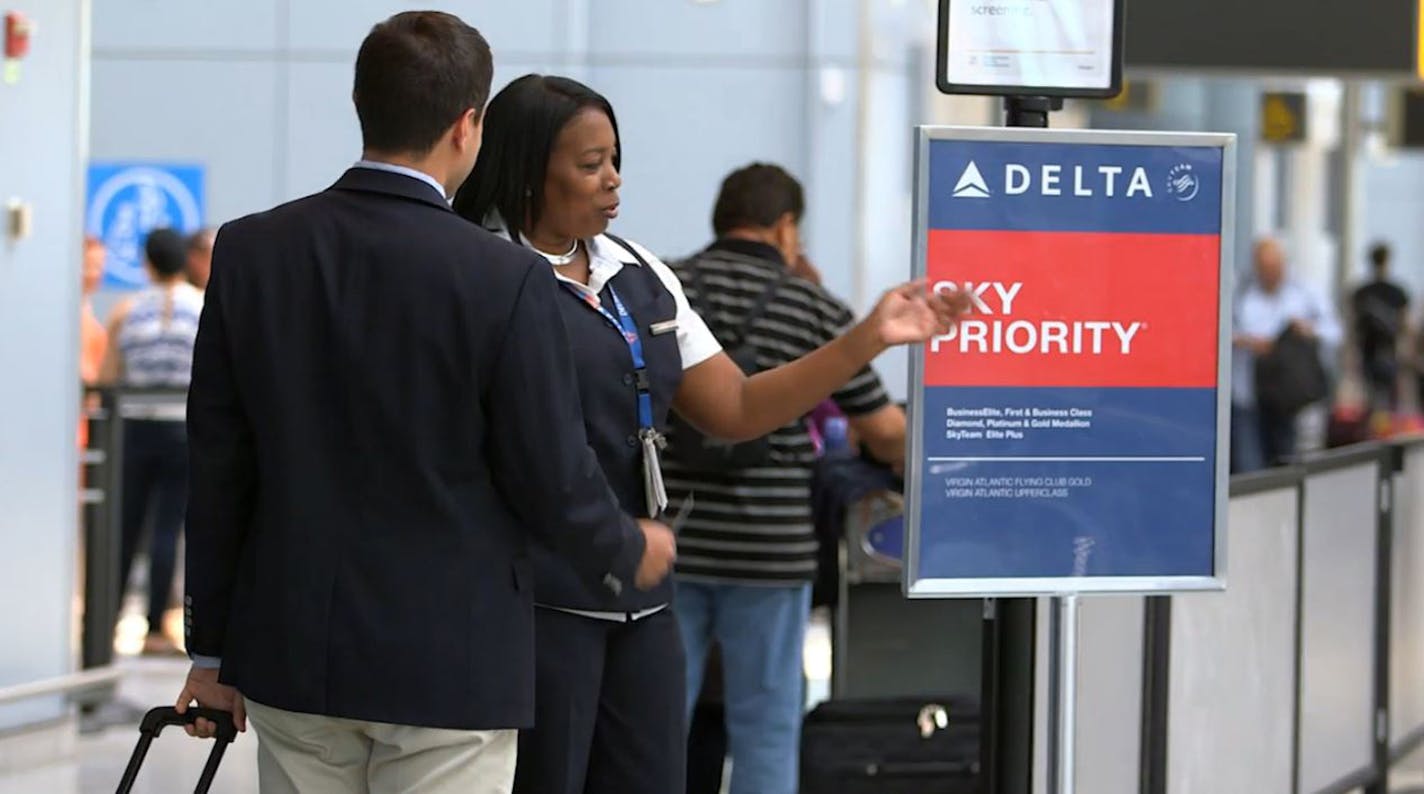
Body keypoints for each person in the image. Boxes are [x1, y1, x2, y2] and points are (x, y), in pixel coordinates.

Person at [173, 15, 675, 794]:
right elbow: (547, 469)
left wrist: (210, 653)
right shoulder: (502, 278)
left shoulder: (251, 251)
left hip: (295, 651)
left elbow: (217, 463)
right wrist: (623, 546)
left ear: (361, 103)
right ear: (467, 126)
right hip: (452, 661)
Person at [452, 75, 965, 794]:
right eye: (591, 164)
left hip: (644, 600)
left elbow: (738, 407)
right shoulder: (472, 270)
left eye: (615, 159)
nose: (614, 181)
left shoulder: (639, 274)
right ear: (528, 170)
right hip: (528, 605)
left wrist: (870, 338)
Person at [664, 163, 912, 794]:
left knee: (656, 723)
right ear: (786, 227)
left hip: (668, 542)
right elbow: (884, 430)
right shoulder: (814, 307)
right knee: (767, 727)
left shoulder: (665, 289)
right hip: (771, 554)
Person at [97, 228, 203, 656]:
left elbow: (107, 376)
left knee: (124, 527)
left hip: (135, 426)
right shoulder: (201, 308)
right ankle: (156, 628)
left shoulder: (127, 309)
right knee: (167, 528)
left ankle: (103, 623)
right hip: (182, 427)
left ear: (147, 263)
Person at [1231, 238, 1342, 473]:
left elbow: (1334, 331)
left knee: (1284, 461)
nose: (1270, 275)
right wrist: (1247, 341)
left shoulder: (1304, 291)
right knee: (1249, 464)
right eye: (1264, 269)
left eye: (1274, 269)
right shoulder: (1240, 291)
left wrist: (1307, 330)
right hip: (1247, 393)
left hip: (1285, 395)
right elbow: (1218, 331)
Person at [1350, 242, 1409, 410]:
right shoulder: (1397, 292)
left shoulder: (1361, 292)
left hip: (1370, 350)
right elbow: (1404, 324)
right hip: (1388, 351)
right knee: (1390, 402)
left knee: (1371, 401)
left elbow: (1353, 325)